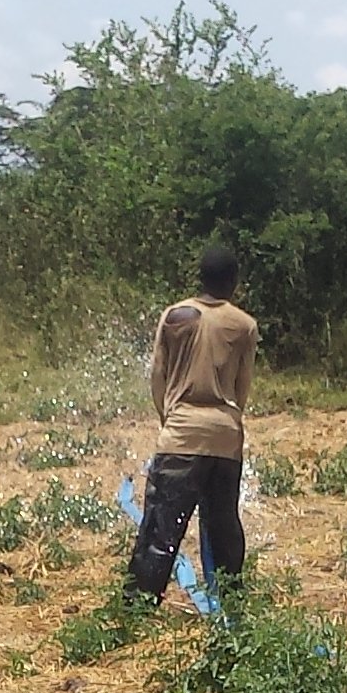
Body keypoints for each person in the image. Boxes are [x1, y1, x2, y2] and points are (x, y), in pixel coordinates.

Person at [128, 244, 259, 604]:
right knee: (223, 532)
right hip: (224, 437)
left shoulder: (174, 315)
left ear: (199, 278)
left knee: (160, 533)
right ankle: (230, 606)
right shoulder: (245, 325)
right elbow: (241, 389)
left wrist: (169, 419)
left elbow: (157, 375)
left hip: (180, 433)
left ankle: (138, 608)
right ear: (234, 282)